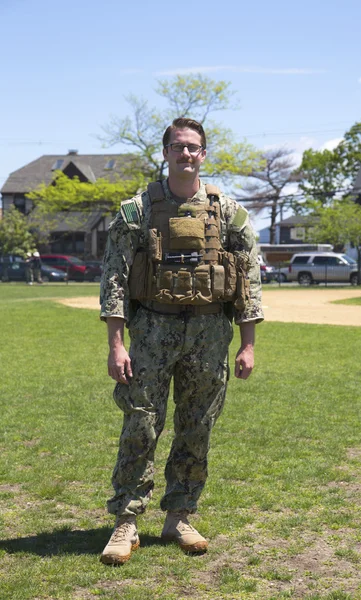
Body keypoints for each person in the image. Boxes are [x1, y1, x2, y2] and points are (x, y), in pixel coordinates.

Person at [99, 117, 264, 566]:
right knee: (141, 423)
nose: (186, 154)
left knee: (197, 425)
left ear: (203, 154)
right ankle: (126, 521)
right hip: (152, 331)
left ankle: (179, 515)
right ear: (166, 153)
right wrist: (117, 344)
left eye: (194, 147)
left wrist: (247, 344)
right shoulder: (137, 209)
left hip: (210, 335)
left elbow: (248, 277)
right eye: (178, 147)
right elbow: (114, 276)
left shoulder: (228, 211)